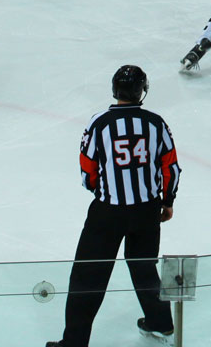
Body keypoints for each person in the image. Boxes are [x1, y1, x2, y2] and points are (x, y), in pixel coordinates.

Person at [47, 65, 180, 347]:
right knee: (144, 266)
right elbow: (171, 167)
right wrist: (166, 201)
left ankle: (74, 342)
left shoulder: (99, 123)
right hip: (147, 210)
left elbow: (87, 171)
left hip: (108, 212)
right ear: (141, 91)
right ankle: (161, 323)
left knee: (88, 275)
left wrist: (105, 192)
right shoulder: (156, 123)